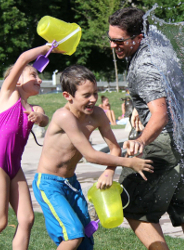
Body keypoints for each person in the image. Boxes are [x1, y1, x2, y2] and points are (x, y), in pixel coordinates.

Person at [108, 7, 184, 250]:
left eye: (118, 41)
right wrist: (137, 106)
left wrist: (142, 140)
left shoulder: (144, 67)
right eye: (111, 39)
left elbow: (161, 114)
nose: (113, 45)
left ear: (138, 38)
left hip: (162, 142)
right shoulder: (159, 44)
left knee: (131, 206)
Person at [32, 65, 153, 250]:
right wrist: (129, 162)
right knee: (73, 235)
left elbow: (114, 148)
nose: (93, 99)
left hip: (70, 183)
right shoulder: (63, 116)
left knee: (86, 237)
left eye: (95, 93)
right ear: (68, 96)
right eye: (86, 95)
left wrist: (109, 171)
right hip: (49, 184)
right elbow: (90, 155)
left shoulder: (97, 115)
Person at [0, 45, 59, 249]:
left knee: (26, 219)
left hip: (14, 167)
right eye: (33, 74)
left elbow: (44, 119)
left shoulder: (34, 108)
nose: (39, 79)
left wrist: (40, 117)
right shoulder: (8, 95)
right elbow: (24, 58)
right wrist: (47, 47)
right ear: (17, 80)